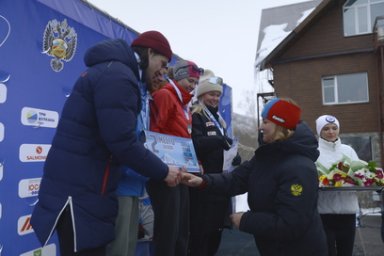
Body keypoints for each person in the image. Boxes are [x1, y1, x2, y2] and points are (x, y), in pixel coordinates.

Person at [30, 31, 182, 256]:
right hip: (80, 196)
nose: (163, 71)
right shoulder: (119, 77)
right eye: (162, 62)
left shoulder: (114, 72)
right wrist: (163, 171)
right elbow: (122, 142)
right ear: (149, 53)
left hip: (84, 193)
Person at [182, 98, 328, 256]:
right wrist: (202, 181)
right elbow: (236, 180)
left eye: (265, 122)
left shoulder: (300, 168)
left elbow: (290, 224)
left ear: (280, 125)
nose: (260, 127)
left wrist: (246, 220)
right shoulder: (266, 157)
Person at [146, 59, 203, 256]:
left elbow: (182, 137)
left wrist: (195, 162)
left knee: (181, 229)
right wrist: (164, 166)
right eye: (190, 80)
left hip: (181, 172)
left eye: (196, 83)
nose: (193, 86)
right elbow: (155, 132)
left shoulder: (183, 104)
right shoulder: (165, 96)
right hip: (166, 174)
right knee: (168, 232)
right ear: (177, 78)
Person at [188, 75, 239, 256]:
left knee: (216, 233)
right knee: (201, 234)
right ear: (201, 95)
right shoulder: (196, 115)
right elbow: (194, 144)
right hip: (202, 184)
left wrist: (234, 156)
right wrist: (218, 140)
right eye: (211, 94)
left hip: (219, 183)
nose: (215, 99)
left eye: (218, 95)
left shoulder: (219, 119)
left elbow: (222, 146)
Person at [316, 114, 360, 256]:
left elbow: (359, 175)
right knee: (327, 252)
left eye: (334, 128)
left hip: (348, 212)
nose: (331, 132)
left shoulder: (348, 151)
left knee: (346, 252)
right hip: (324, 212)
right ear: (319, 131)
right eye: (326, 128)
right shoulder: (314, 152)